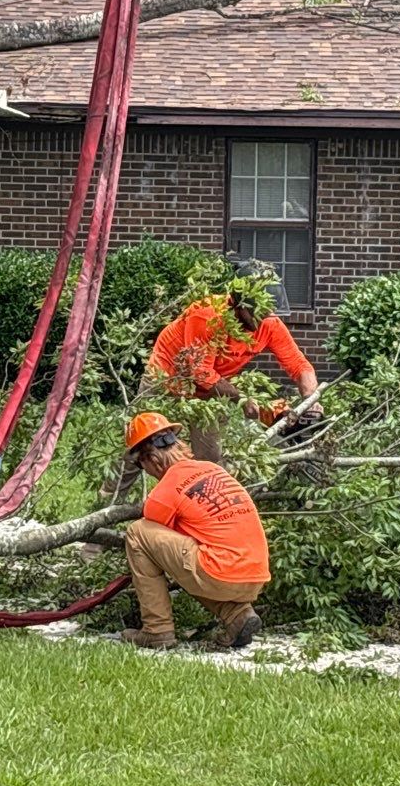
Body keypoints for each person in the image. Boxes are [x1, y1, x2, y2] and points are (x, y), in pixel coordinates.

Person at [119, 412, 268, 651]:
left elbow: (155, 546)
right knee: (199, 553)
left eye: (140, 464)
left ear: (153, 459)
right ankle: (237, 615)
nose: (144, 470)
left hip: (220, 575)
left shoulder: (166, 490)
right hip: (256, 575)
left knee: (138, 533)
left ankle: (157, 630)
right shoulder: (212, 469)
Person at [145, 259, 318, 461]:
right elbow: (200, 373)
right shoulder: (208, 316)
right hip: (166, 378)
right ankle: (111, 493)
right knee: (143, 448)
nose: (264, 319)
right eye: (258, 313)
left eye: (268, 312)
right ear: (239, 304)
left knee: (210, 457)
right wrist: (242, 398)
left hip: (211, 390)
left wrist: (310, 399)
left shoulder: (269, 323)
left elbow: (298, 364)